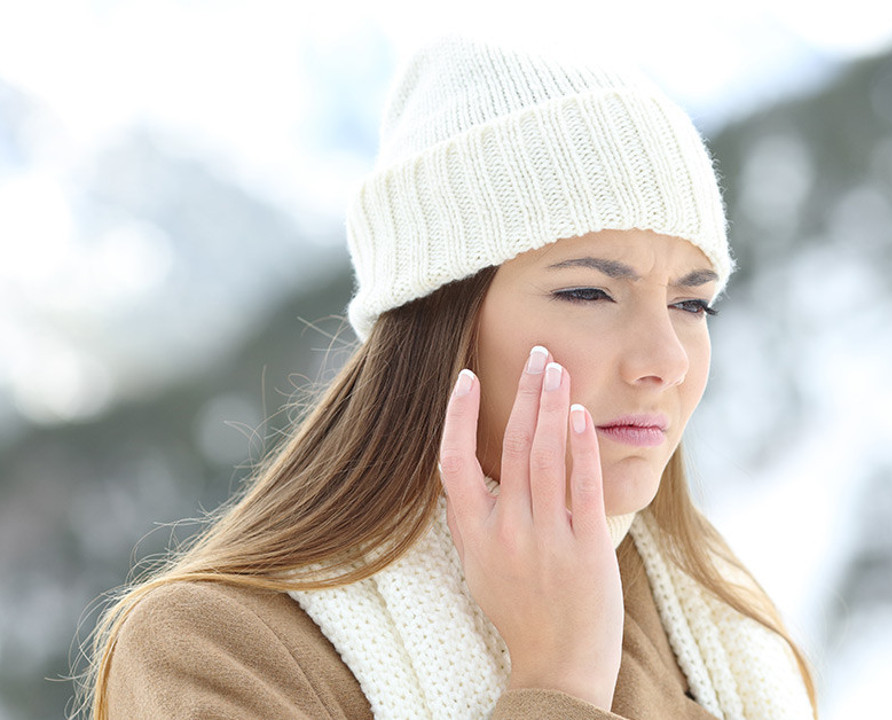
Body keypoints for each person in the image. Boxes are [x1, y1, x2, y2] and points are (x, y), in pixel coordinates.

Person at [79, 35, 817, 720]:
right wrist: (557, 680)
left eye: (693, 302)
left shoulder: (722, 626)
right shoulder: (218, 652)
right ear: (439, 321)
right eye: (590, 293)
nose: (667, 359)